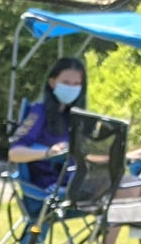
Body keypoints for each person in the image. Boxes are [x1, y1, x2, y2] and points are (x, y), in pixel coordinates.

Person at [7, 57, 88, 202]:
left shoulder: (74, 117)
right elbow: (14, 153)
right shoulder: (39, 112)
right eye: (66, 83)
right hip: (48, 187)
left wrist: (124, 156)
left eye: (77, 84)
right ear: (52, 82)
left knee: (131, 185)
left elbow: (85, 156)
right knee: (120, 193)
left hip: (73, 180)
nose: (71, 88)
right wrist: (48, 153)